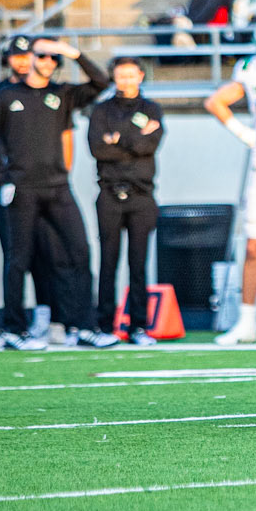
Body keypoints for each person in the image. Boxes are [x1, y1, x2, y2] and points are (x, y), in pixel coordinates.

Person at [0, 38, 117, 349]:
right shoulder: (6, 95)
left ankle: (85, 326)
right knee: (18, 259)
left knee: (80, 252)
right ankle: (14, 329)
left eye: (54, 58)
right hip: (21, 187)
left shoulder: (62, 93)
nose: (48, 62)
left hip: (57, 188)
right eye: (42, 56)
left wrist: (72, 52)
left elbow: (101, 82)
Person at [88, 55, 164, 345]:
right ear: (114, 78)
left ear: (141, 76)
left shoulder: (151, 108)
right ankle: (104, 326)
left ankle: (139, 326)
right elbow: (97, 149)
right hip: (109, 194)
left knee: (138, 263)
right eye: (121, 75)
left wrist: (118, 139)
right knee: (108, 262)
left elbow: (150, 145)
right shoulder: (101, 110)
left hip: (141, 195)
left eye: (131, 75)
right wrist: (134, 140)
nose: (126, 81)